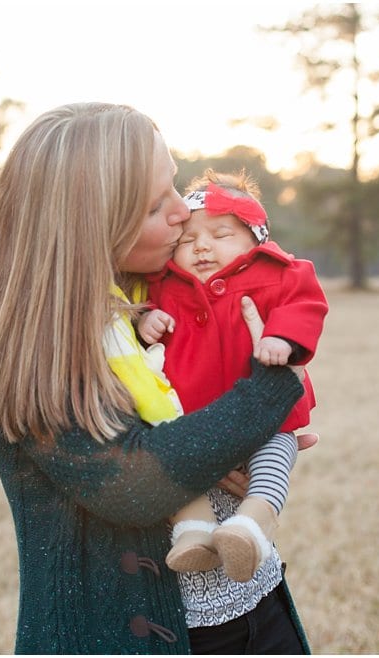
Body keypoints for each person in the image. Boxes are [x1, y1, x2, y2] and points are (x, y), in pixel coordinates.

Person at [0, 102, 315, 654]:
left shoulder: (159, 291)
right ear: (89, 226)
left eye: (173, 186)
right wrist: (272, 387)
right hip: (125, 634)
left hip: (251, 609)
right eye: (153, 206)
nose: (180, 214)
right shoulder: (37, 347)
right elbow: (138, 484)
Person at [136, 170, 328, 584]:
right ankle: (194, 533)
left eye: (221, 235)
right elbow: (139, 306)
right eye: (188, 240)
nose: (202, 247)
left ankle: (252, 526)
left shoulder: (277, 271)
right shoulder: (167, 282)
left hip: (270, 415)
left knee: (275, 457)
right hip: (192, 418)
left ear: (254, 238)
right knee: (178, 467)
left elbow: (304, 303)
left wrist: (282, 338)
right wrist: (147, 318)